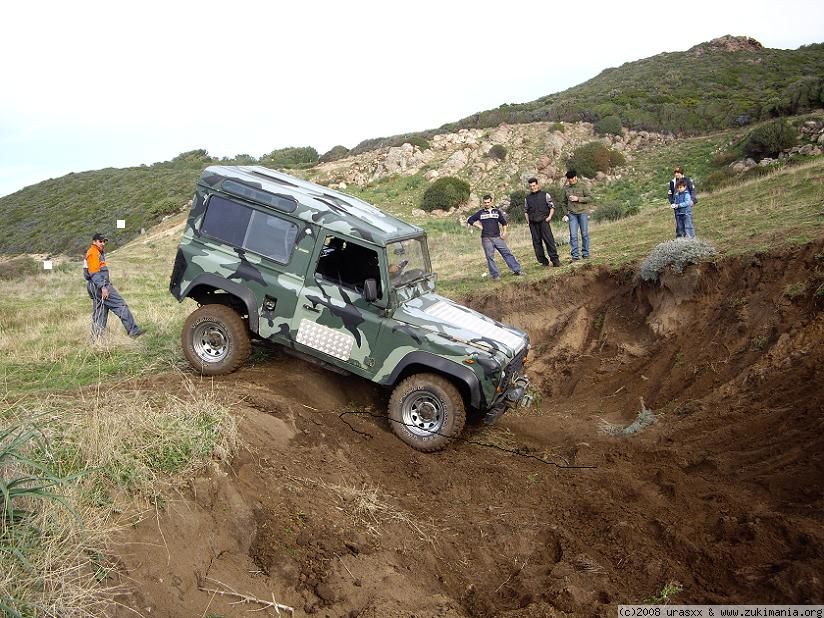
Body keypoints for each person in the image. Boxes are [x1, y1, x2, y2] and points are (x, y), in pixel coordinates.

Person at [84, 233, 143, 340]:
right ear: (94, 242)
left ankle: (96, 341)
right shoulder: (93, 253)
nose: (103, 243)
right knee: (120, 305)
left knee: (100, 314)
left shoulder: (95, 252)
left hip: (93, 286)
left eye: (104, 241)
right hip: (99, 286)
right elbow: (94, 273)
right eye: (100, 241)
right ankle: (133, 331)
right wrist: (103, 287)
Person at [467, 194, 522, 281]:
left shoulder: (497, 212)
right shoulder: (480, 213)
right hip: (486, 238)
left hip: (497, 237)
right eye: (485, 203)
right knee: (490, 257)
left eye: (488, 202)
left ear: (491, 202)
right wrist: (479, 226)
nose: (487, 204)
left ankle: (517, 270)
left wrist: (504, 232)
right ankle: (495, 275)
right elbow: (470, 220)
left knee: (507, 253)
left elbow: (504, 223)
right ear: (483, 203)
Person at [524, 178, 561, 267]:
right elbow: (525, 211)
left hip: (544, 221)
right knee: (537, 243)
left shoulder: (545, 195)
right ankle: (544, 262)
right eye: (530, 186)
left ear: (537, 185)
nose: (532, 188)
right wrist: (528, 222)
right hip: (533, 223)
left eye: (534, 185)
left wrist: (549, 217)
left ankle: (555, 261)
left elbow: (552, 207)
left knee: (549, 241)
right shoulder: (527, 198)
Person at [561, 169, 593, 261]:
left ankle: (585, 254)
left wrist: (578, 199)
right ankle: (575, 256)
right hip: (572, 215)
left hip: (583, 213)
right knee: (573, 235)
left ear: (576, 177)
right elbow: (563, 202)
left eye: (572, 178)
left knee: (584, 234)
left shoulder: (583, 186)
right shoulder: (566, 188)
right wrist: (566, 213)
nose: (571, 180)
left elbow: (590, 198)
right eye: (569, 179)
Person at [667, 166, 697, 238]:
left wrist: (692, 200)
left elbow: (692, 190)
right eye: (675, 173)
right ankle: (680, 238)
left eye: (678, 172)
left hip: (686, 205)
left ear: (681, 173)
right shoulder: (672, 182)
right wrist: (672, 202)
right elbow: (670, 193)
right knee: (679, 223)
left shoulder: (687, 180)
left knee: (688, 222)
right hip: (677, 206)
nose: (676, 174)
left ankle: (691, 238)